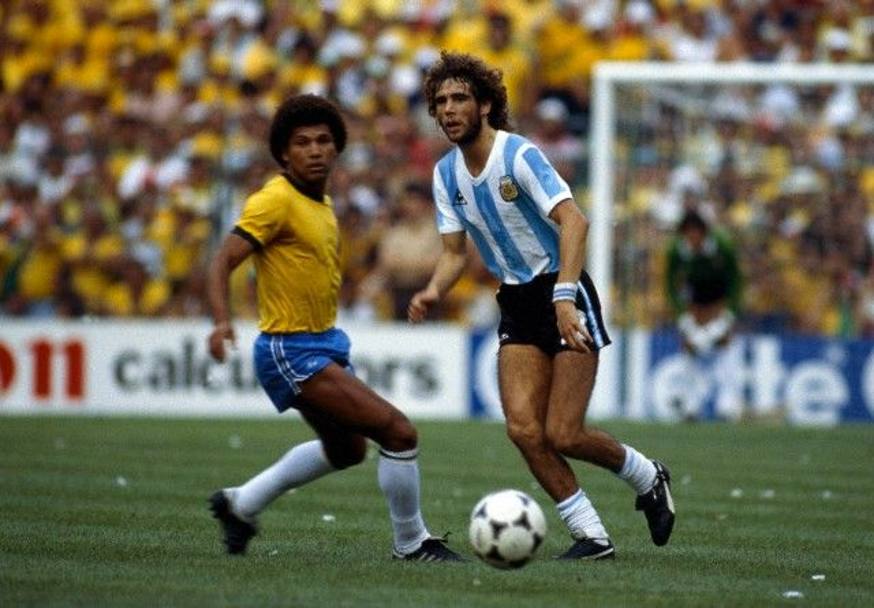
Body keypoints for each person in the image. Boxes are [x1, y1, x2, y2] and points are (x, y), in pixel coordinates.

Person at [409, 51, 675, 560]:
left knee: (565, 432)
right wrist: (433, 290)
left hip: (564, 289)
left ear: (485, 105)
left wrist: (564, 298)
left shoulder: (519, 156)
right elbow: (452, 253)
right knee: (524, 430)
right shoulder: (446, 175)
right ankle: (592, 536)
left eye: (459, 98)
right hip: (516, 301)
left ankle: (648, 476)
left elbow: (575, 222)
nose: (448, 110)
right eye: (440, 101)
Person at [205, 94, 461, 562]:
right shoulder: (274, 200)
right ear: (284, 153)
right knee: (399, 433)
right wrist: (222, 322)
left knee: (346, 451)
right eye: (302, 143)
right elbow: (222, 260)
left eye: (325, 141)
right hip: (290, 349)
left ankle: (240, 504)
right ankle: (412, 543)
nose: (316, 150)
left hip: (321, 343)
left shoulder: (320, 203)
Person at [665, 208, 744, 421]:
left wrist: (728, 314)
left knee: (724, 346)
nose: (692, 239)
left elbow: (736, 281)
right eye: (687, 234)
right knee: (689, 348)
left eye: (695, 234)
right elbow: (670, 285)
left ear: (704, 232)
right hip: (694, 304)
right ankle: (691, 405)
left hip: (719, 301)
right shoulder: (676, 250)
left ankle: (727, 404)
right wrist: (683, 316)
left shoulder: (722, 245)